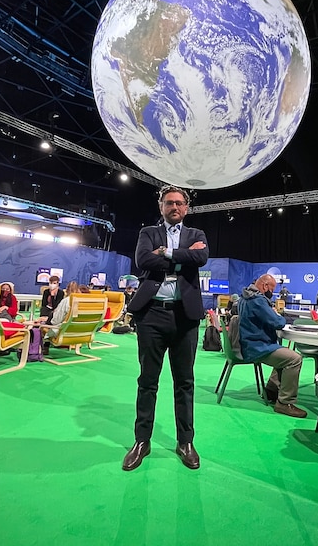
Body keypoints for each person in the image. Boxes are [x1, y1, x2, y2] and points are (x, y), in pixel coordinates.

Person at [122, 186, 208, 472]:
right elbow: (143, 261)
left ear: (186, 208)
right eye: (169, 202)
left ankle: (186, 442)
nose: (175, 207)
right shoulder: (148, 233)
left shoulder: (197, 235)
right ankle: (141, 441)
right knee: (148, 381)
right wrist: (182, 257)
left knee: (185, 383)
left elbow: (201, 258)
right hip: (152, 316)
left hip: (186, 318)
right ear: (161, 206)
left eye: (180, 203)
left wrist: (167, 253)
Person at [239, 274, 307, 418]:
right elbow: (278, 322)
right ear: (265, 286)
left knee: (284, 354)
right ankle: (284, 402)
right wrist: (277, 315)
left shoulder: (244, 298)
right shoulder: (258, 301)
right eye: (272, 288)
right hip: (258, 347)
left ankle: (271, 390)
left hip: (249, 344)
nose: (272, 292)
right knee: (294, 359)